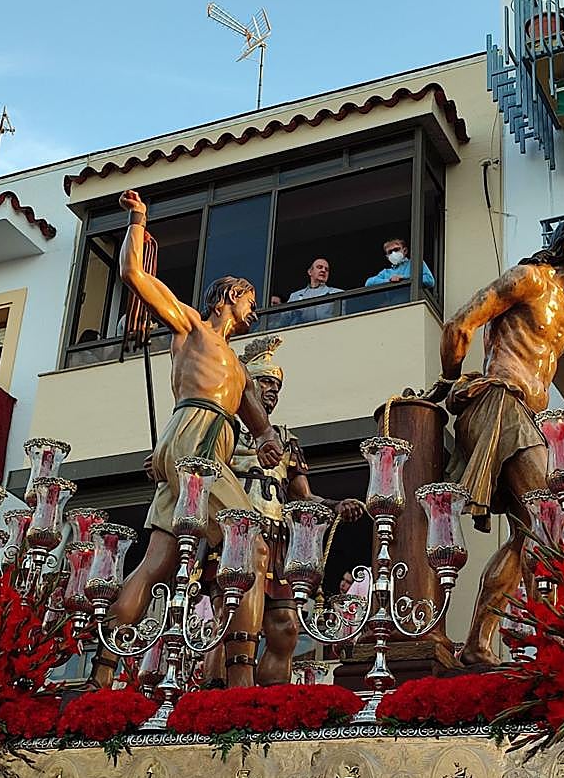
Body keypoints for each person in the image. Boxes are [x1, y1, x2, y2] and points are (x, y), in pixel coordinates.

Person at [91, 189, 283, 691]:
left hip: (209, 445)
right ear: (227, 298)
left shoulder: (239, 367)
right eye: (248, 301)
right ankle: (240, 681)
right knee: (251, 544)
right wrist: (138, 220)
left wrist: (266, 440)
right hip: (192, 438)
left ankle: (101, 676)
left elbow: (259, 422)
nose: (252, 312)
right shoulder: (193, 328)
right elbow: (135, 276)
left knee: (157, 561)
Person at [427, 184, 564, 666]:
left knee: (528, 534)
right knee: (552, 523)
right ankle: (554, 641)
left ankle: (478, 640)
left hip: (532, 422)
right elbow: (459, 326)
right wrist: (448, 382)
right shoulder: (530, 279)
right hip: (498, 405)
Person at [228, 336, 364, 686]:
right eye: (265, 382)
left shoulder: (287, 439)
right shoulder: (226, 430)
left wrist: (335, 506)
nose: (273, 390)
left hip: (279, 539)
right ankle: (224, 696)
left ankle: (274, 704)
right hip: (238, 537)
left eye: (277, 384)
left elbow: (302, 495)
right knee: (234, 622)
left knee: (286, 626)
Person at [286, 258, 343, 323]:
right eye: (319, 267)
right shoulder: (295, 296)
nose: (323, 270)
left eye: (326, 269)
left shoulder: (337, 293)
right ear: (310, 272)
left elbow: (340, 321)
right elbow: (285, 321)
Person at [365, 238, 436, 290]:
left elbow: (429, 280)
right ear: (387, 257)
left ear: (405, 251)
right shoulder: (385, 273)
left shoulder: (415, 263)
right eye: (390, 252)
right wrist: (389, 280)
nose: (393, 253)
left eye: (396, 249)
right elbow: (369, 283)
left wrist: (403, 278)